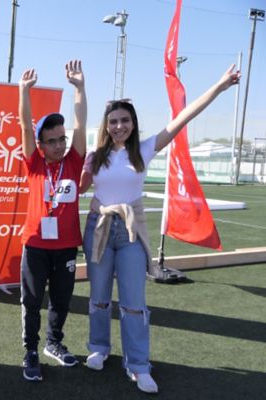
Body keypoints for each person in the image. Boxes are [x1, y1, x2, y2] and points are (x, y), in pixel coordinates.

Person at [79, 65, 241, 394]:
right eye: (113, 121)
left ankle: (138, 365)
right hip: (98, 228)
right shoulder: (95, 156)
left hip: (130, 233)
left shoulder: (145, 148)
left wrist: (219, 86)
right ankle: (98, 348)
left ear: (133, 124)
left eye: (125, 120)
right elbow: (80, 187)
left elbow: (183, 117)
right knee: (98, 297)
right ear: (106, 126)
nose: (119, 126)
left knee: (133, 301)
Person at [17, 61, 87, 382]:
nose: (59, 144)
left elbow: (82, 125)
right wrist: (24, 91)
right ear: (41, 144)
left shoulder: (73, 161)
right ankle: (31, 350)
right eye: (52, 140)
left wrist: (79, 89)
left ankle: (53, 343)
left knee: (61, 299)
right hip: (35, 245)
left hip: (66, 247)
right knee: (32, 301)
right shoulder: (34, 163)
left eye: (61, 138)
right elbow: (22, 123)